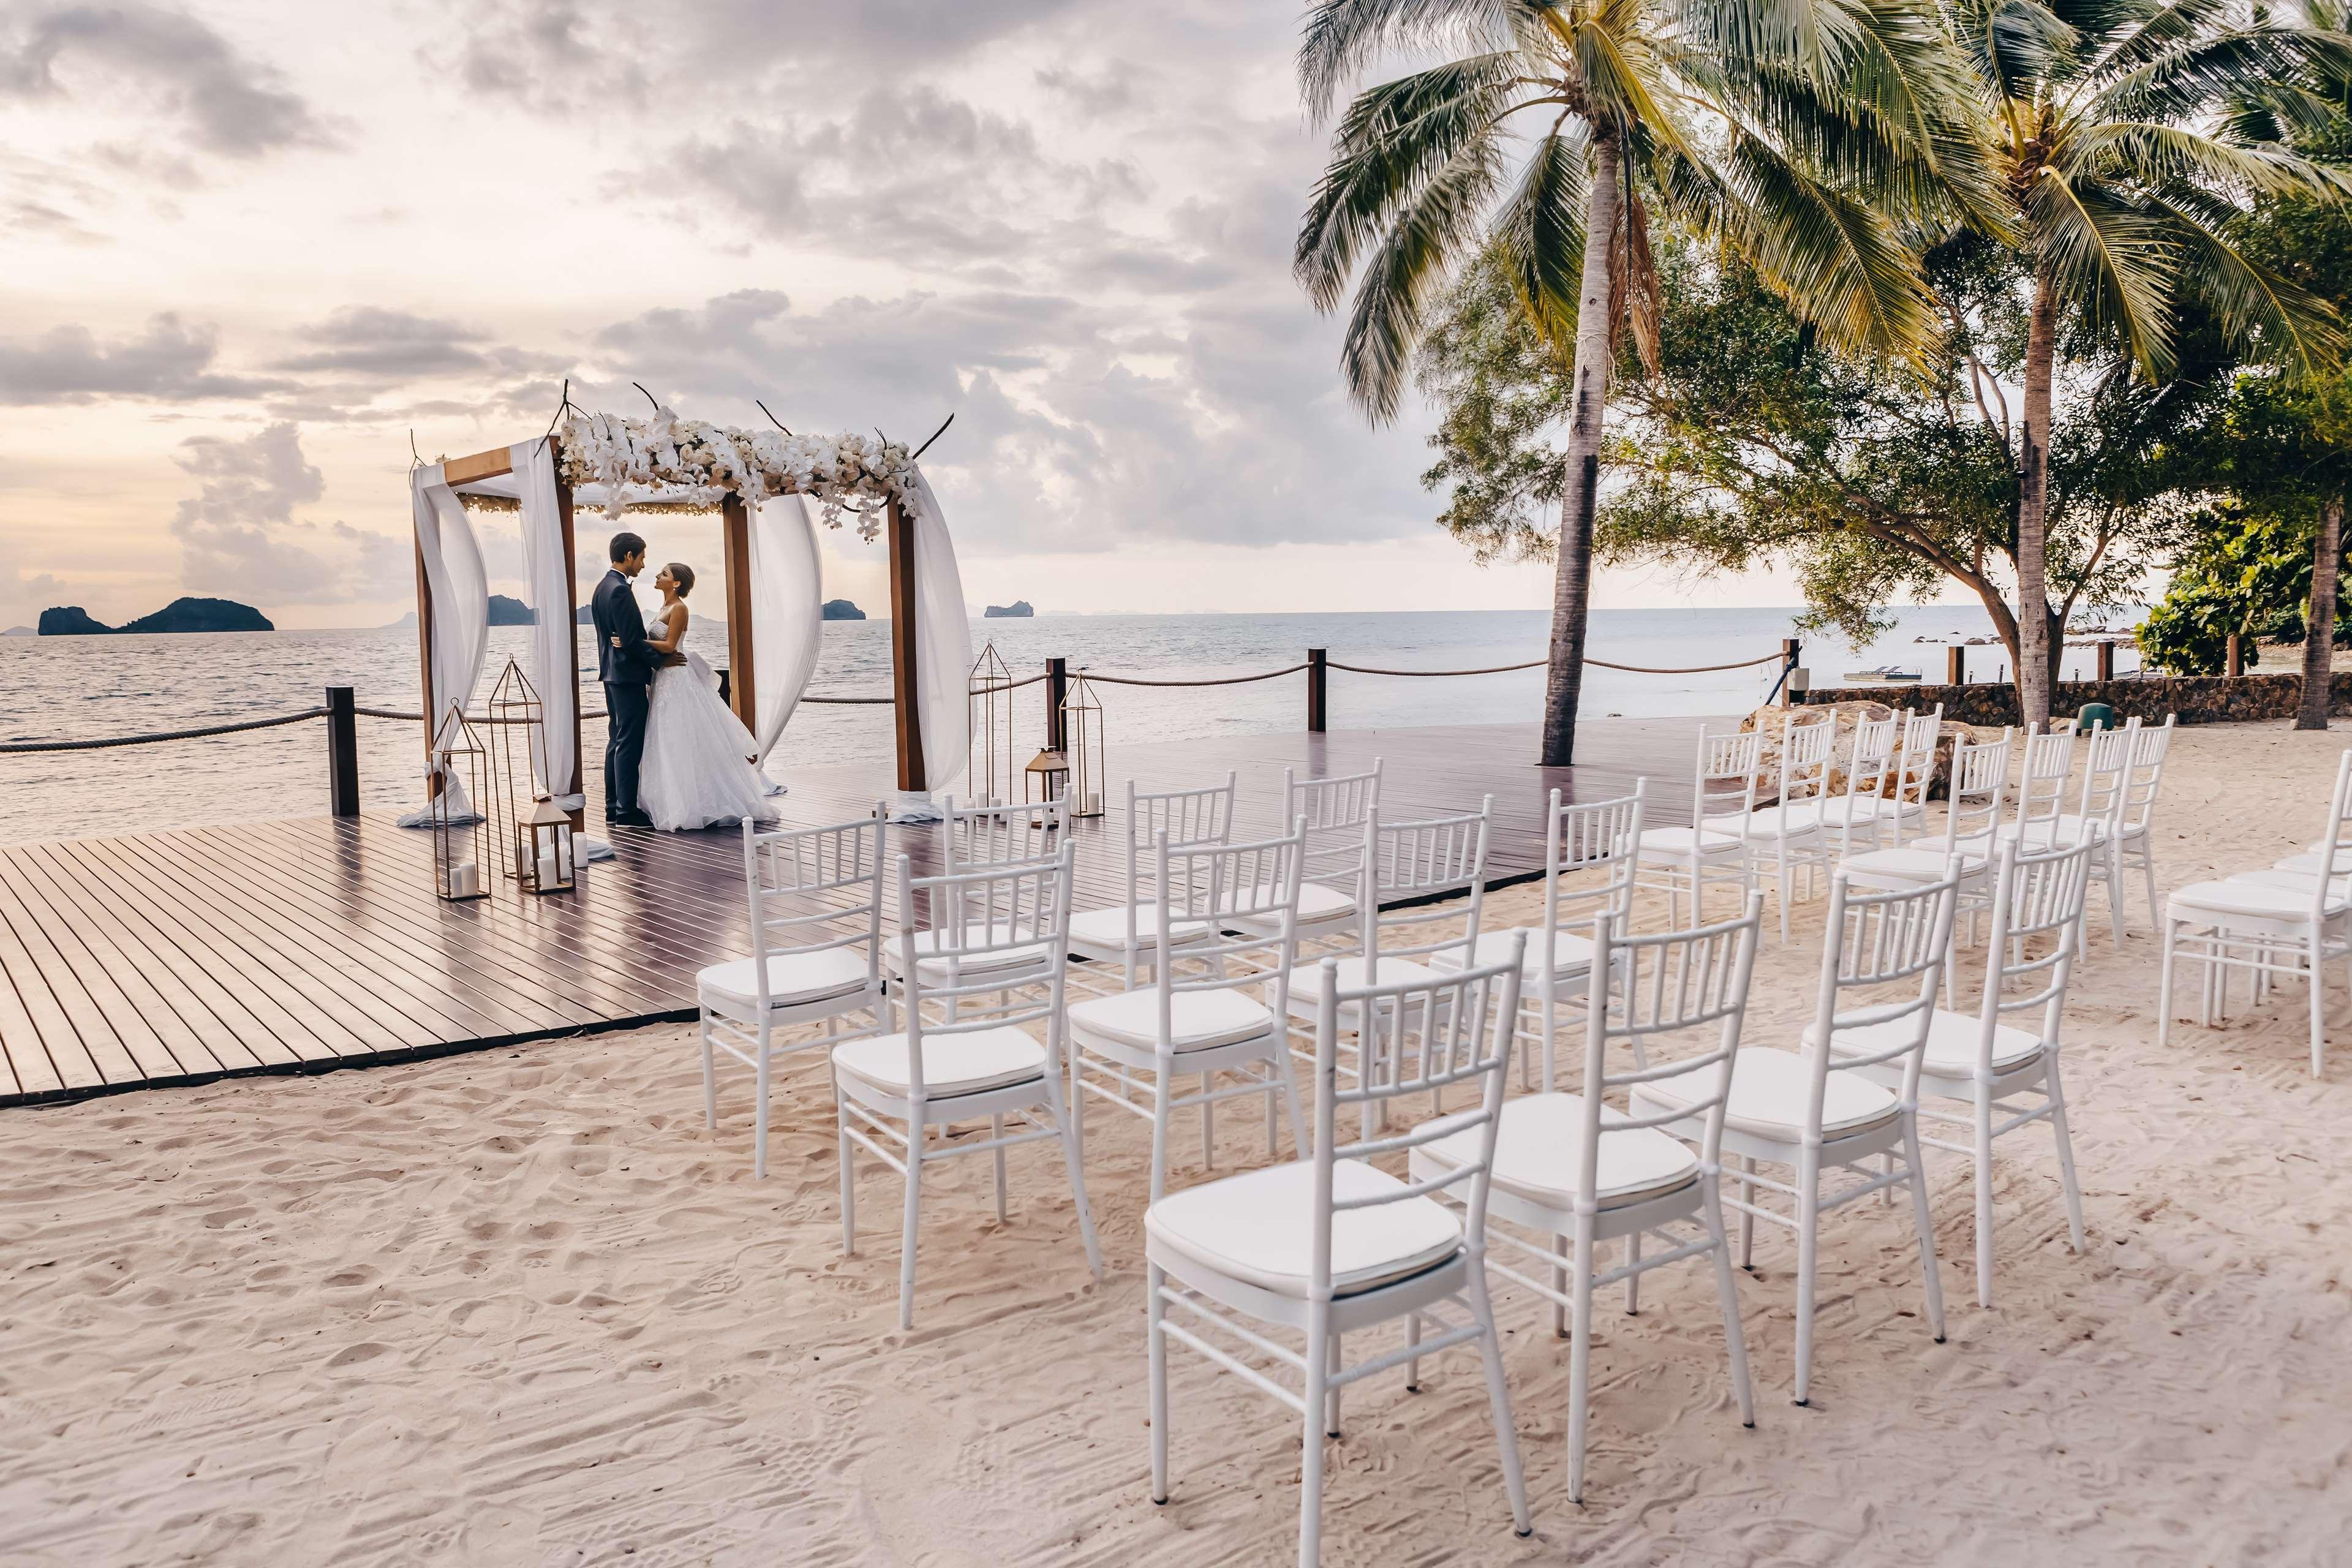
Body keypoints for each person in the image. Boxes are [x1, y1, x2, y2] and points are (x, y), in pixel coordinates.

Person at [634, 562, 780, 832]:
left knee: (684, 734)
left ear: (676, 583)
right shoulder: (663, 608)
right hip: (663, 679)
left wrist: (635, 641)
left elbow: (669, 645)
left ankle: (701, 802)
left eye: (664, 574)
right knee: (667, 737)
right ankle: (674, 797)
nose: (657, 575)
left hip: (678, 679)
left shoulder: (679, 608)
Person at [591, 531, 664, 827]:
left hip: (611, 675)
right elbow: (632, 640)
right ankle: (626, 812)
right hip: (627, 676)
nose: (644, 565)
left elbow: (624, 638)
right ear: (630, 555)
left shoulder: (601, 588)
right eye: (642, 558)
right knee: (630, 743)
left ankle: (613, 807)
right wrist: (662, 662)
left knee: (616, 741)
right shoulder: (620, 590)